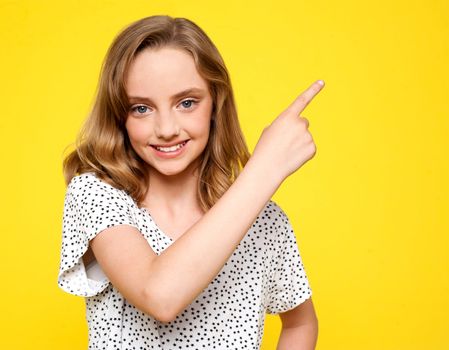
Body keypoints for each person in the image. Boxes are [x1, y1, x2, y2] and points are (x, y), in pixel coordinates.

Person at [57, 14, 323, 350]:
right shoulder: (98, 195)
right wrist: (266, 168)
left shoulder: (265, 220)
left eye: (186, 103)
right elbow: (160, 296)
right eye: (141, 108)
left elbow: (300, 323)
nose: (166, 128)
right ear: (119, 116)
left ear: (215, 104)